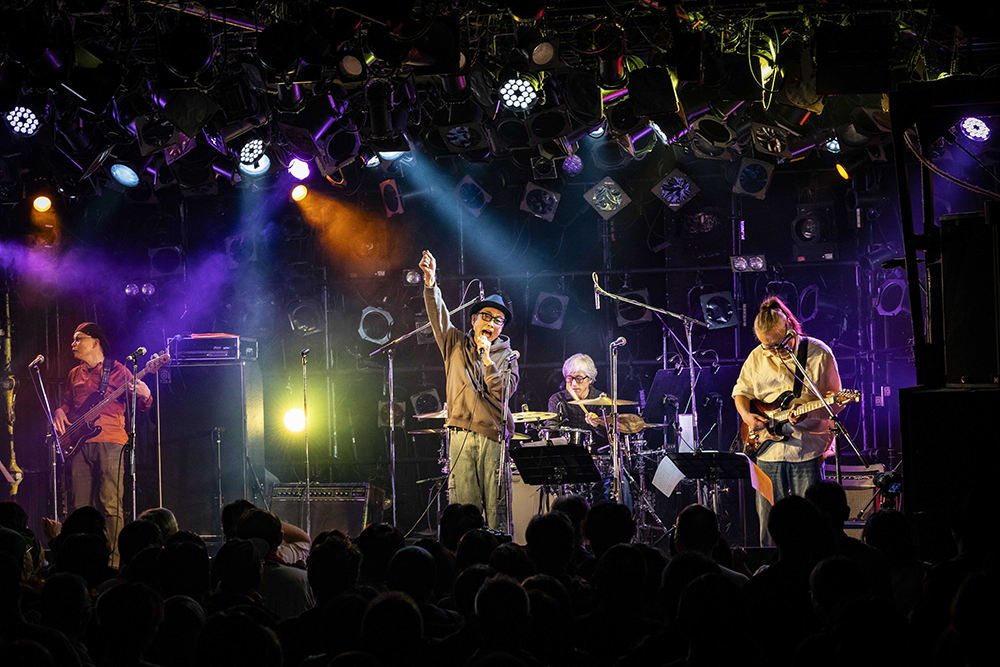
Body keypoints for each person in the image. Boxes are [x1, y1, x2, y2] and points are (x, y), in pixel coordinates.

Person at [419, 250, 519, 530]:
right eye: (486, 316)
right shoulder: (454, 343)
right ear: (473, 319)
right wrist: (430, 282)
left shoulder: (508, 357)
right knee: (464, 510)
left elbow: (503, 392)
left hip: (492, 438)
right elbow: (438, 316)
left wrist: (487, 360)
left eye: (498, 320)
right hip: (460, 434)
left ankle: (499, 552)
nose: (491, 323)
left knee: (497, 511)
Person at [732, 297, 843, 545]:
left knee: (810, 520)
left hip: (806, 448)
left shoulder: (818, 353)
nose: (773, 351)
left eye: (778, 344)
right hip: (767, 451)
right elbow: (741, 392)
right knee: (769, 522)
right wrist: (748, 417)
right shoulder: (756, 356)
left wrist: (808, 413)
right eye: (767, 346)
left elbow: (834, 402)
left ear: (791, 329)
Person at [53, 322, 152, 565]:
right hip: (79, 445)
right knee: (80, 508)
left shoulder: (118, 370)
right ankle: (81, 562)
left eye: (78, 339)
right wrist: (60, 410)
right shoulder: (74, 374)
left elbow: (141, 403)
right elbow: (69, 404)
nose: (73, 344)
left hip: (110, 441)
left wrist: (146, 394)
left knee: (110, 504)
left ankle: (113, 564)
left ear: (94, 342)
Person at [545, 353, 606, 439]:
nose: (573, 384)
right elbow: (550, 428)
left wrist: (597, 424)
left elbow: (610, 435)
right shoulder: (557, 399)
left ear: (590, 379)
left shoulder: (603, 400)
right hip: (564, 446)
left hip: (596, 447)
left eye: (579, 379)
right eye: (569, 378)